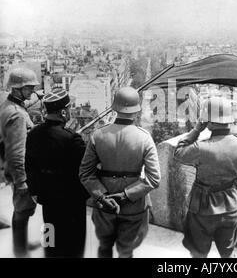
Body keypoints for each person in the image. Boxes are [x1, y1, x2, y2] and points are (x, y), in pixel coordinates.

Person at [79, 86, 161, 258]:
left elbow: (85, 173)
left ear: (114, 108)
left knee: (104, 246)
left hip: (104, 202)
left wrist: (101, 196)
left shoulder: (98, 135)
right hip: (134, 204)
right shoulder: (144, 138)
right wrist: (125, 195)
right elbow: (154, 179)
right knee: (126, 251)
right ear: (137, 111)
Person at [174, 96, 237, 258]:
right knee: (228, 254)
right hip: (231, 208)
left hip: (202, 210)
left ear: (207, 121)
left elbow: (179, 153)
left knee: (198, 254)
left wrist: (196, 130)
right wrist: (236, 198)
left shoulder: (201, 148)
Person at [25, 88, 89, 257]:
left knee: (51, 240)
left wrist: (35, 192)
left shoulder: (33, 134)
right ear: (63, 111)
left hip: (47, 199)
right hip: (71, 202)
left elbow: (29, 166)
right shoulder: (72, 138)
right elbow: (84, 172)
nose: (70, 111)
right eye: (69, 108)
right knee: (74, 245)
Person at [0, 67, 40, 257]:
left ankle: (21, 244)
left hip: (11, 169)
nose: (32, 91)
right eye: (29, 88)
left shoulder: (9, 105)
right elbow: (16, 152)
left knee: (21, 209)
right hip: (20, 171)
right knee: (23, 209)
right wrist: (22, 181)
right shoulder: (17, 114)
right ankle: (20, 249)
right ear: (17, 89)